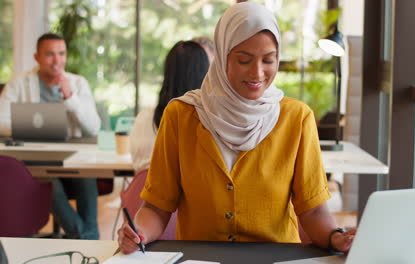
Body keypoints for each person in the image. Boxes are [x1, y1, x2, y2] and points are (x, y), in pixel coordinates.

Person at [118, 2, 355, 253]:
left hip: (274, 258)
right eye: (244, 60)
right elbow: (157, 207)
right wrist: (139, 233)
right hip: (201, 259)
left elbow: (314, 210)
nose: (257, 73)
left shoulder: (296, 119)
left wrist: (335, 236)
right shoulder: (181, 116)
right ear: (222, 57)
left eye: (269, 60)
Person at [0, 33, 101, 239]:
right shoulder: (19, 83)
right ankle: (87, 240)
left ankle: (84, 238)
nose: (57, 61)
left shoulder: (78, 83)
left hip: (74, 155)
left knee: (87, 178)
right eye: (50, 54)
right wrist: (27, 126)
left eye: (61, 54)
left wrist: (70, 97)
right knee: (48, 182)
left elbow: (94, 128)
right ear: (37, 57)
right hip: (36, 157)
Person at [124, 40, 210, 217]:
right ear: (205, 72)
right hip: (187, 221)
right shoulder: (209, 123)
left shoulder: (144, 118)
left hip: (140, 215)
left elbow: (138, 166)